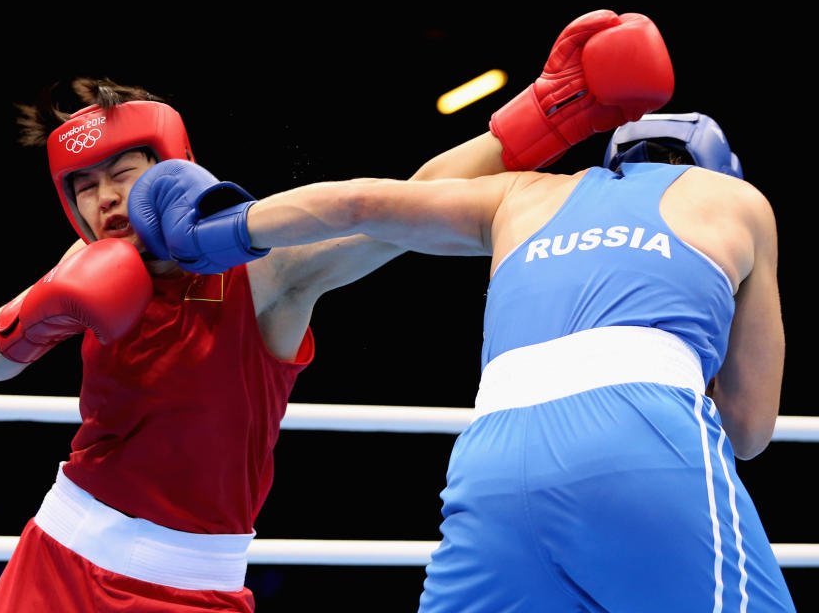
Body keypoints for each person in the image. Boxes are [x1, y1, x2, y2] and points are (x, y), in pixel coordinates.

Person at [0, 10, 673, 612]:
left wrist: (550, 116)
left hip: (192, 584)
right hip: (57, 554)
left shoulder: (260, 269)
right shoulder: (80, 267)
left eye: (122, 173)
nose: (105, 198)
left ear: (169, 166)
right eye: (84, 186)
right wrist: (43, 311)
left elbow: (406, 201)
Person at [139, 109, 795, 612]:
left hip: (494, 458)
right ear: (714, 169)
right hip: (643, 438)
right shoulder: (736, 203)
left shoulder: (524, 194)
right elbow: (749, 431)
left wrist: (217, 232)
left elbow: (361, 204)